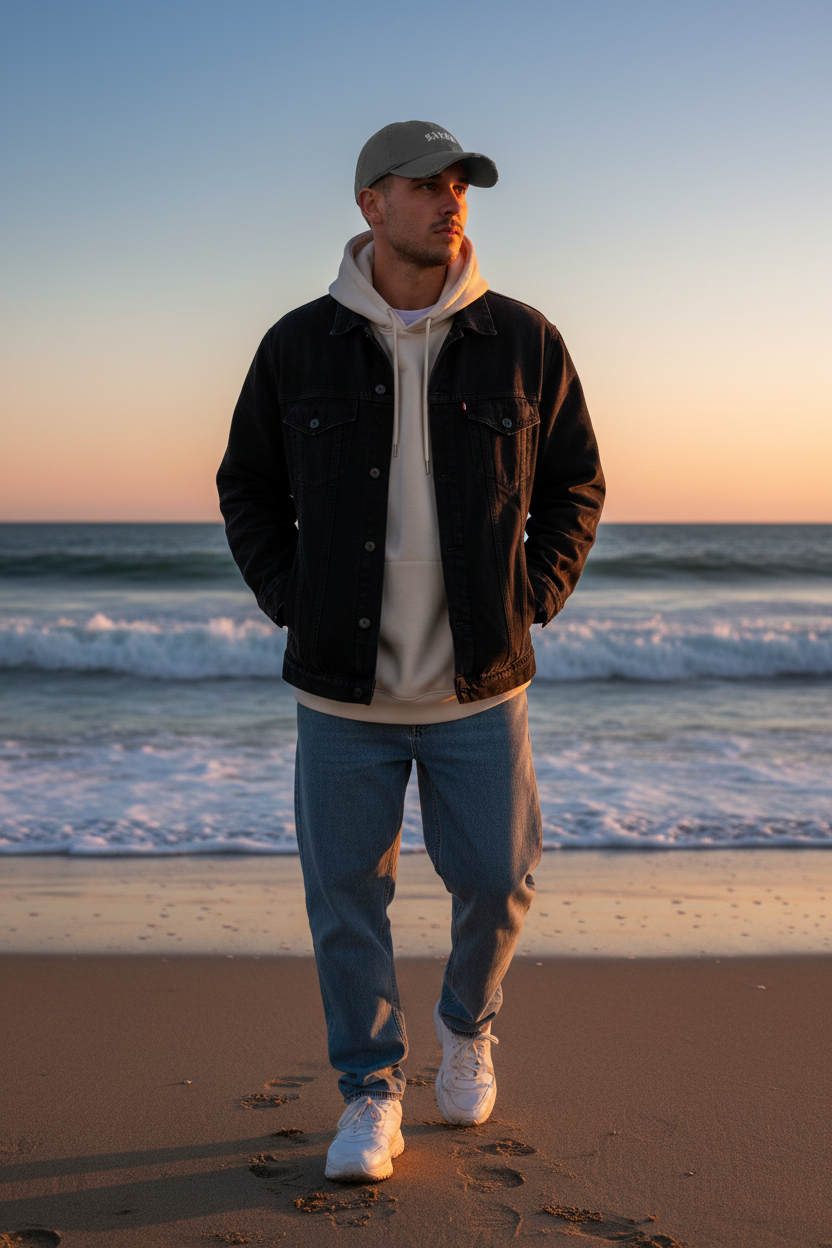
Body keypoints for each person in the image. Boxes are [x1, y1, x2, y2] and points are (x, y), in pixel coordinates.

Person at [217, 120, 604, 1182]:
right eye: (425, 186)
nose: (450, 203)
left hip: (481, 682)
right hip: (343, 692)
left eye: (459, 188)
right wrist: (291, 599)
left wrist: (535, 595)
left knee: (499, 876)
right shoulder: (298, 344)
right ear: (367, 204)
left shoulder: (523, 338)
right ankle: (369, 1093)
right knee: (345, 894)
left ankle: (467, 1026)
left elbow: (576, 482)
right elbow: (245, 485)